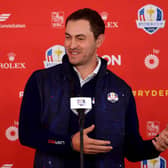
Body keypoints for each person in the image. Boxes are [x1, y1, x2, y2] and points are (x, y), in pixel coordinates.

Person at [19, 8, 168, 168]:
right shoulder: (41, 81)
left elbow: (132, 150)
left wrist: (155, 146)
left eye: (80, 38)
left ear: (99, 40)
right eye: (68, 37)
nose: (71, 45)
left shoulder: (121, 89)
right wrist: (68, 143)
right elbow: (28, 134)